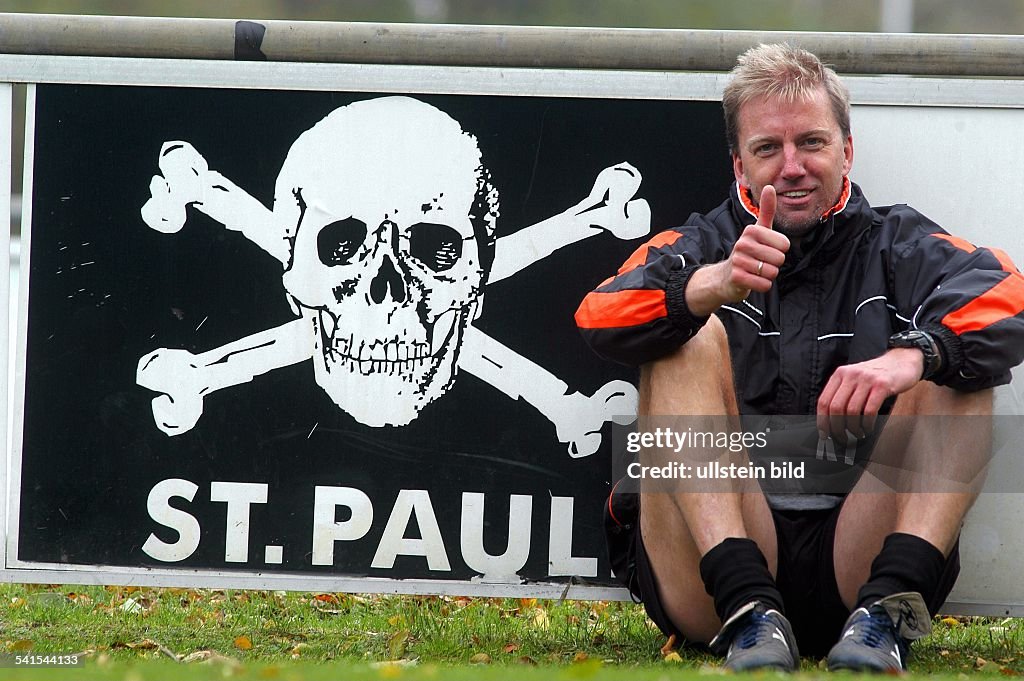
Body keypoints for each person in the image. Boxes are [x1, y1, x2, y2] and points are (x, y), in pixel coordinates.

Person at [575, 43, 1024, 672]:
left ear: (847, 149)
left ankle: (888, 617)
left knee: (962, 360)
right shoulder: (698, 242)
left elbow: (1009, 297)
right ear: (740, 164)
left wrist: (916, 356)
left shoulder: (900, 241)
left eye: (811, 142)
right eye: (768, 148)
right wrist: (708, 285)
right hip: (715, 579)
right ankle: (750, 613)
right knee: (683, 333)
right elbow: (597, 313)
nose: (792, 167)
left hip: (859, 559)